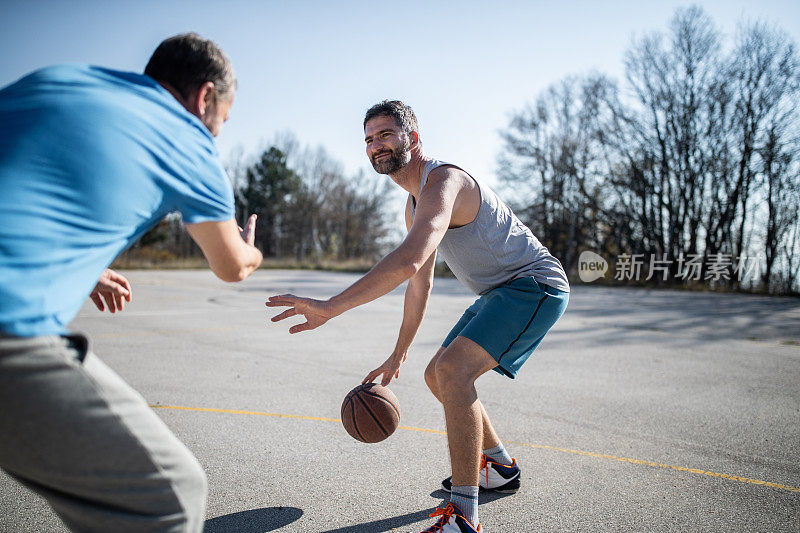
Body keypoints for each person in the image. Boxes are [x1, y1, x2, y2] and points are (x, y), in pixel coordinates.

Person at [0, 33, 262, 532]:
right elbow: (232, 266)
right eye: (222, 122)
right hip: (8, 323)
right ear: (204, 98)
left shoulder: (54, 78)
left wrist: (86, 265)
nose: (217, 135)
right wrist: (254, 248)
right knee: (169, 496)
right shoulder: (188, 139)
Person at [267, 100, 569, 532]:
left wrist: (331, 307)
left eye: (386, 134)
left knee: (452, 372)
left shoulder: (443, 181)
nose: (376, 145)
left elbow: (409, 259)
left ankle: (463, 516)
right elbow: (419, 283)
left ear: (414, 139)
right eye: (369, 139)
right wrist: (398, 354)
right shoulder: (413, 205)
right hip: (503, 291)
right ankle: (498, 467)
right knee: (436, 375)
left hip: (534, 285)